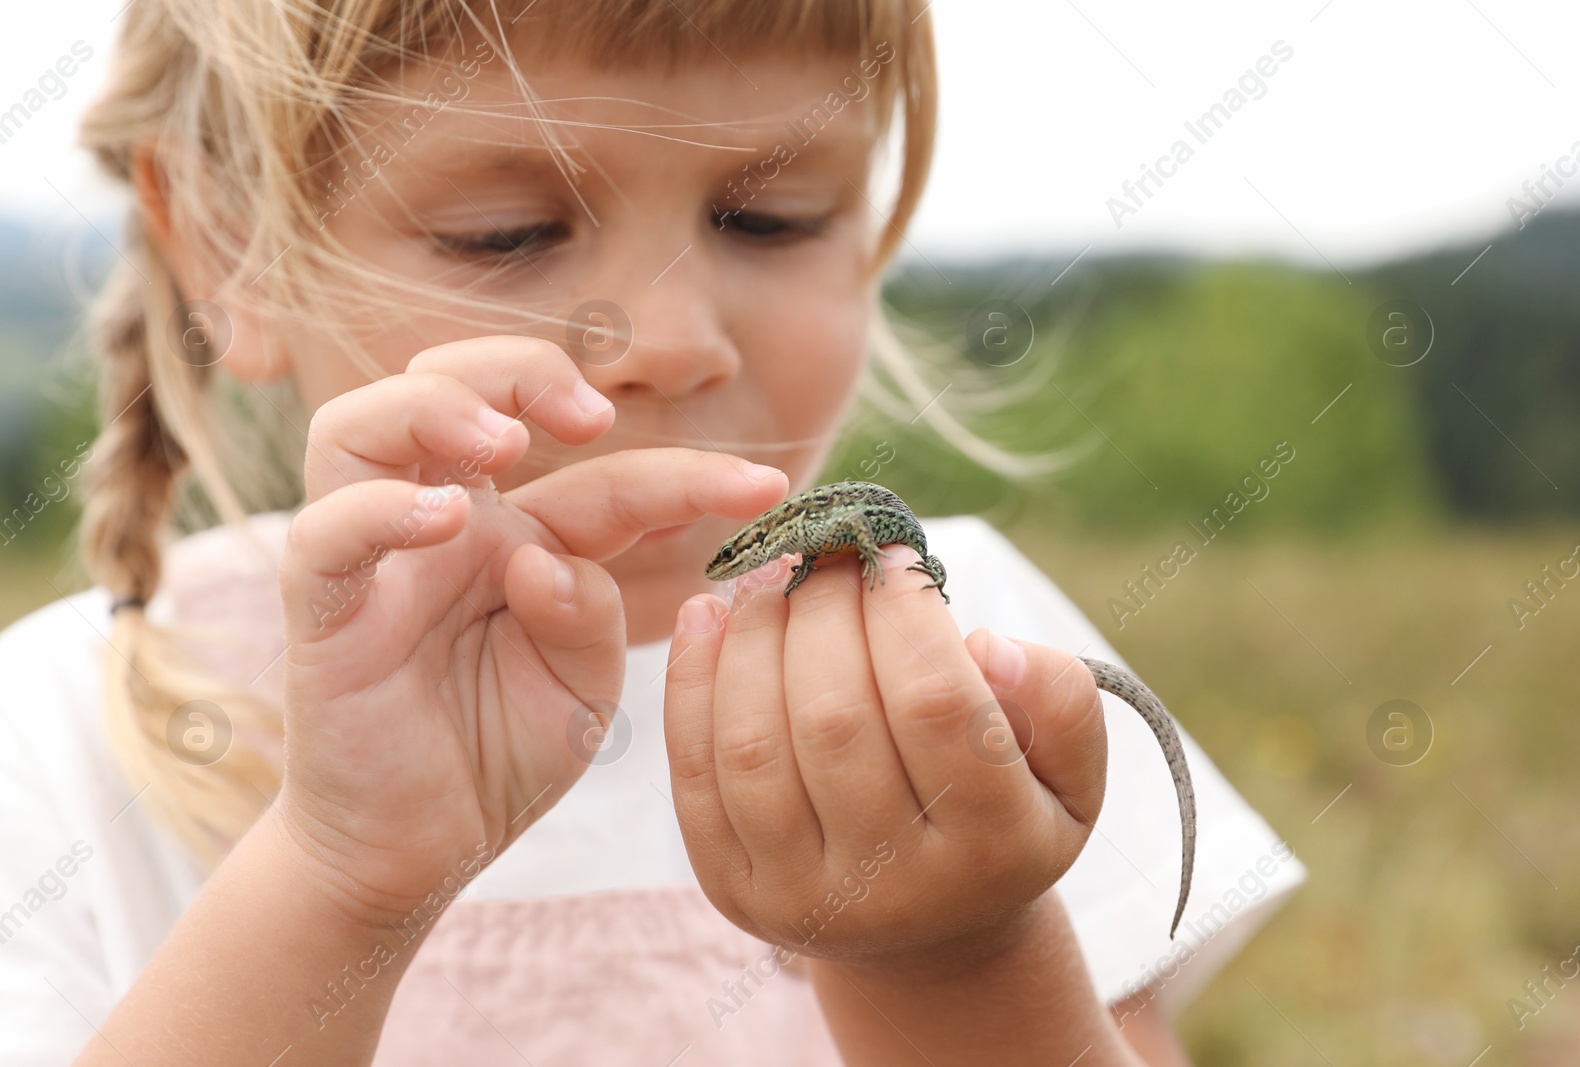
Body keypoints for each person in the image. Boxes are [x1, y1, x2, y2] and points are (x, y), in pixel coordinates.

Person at [0, 1, 1304, 1063]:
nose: (673, 342)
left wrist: (954, 957)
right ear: (232, 248)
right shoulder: (69, 725)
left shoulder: (965, 651)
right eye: (506, 234)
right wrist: (341, 876)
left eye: (769, 219)